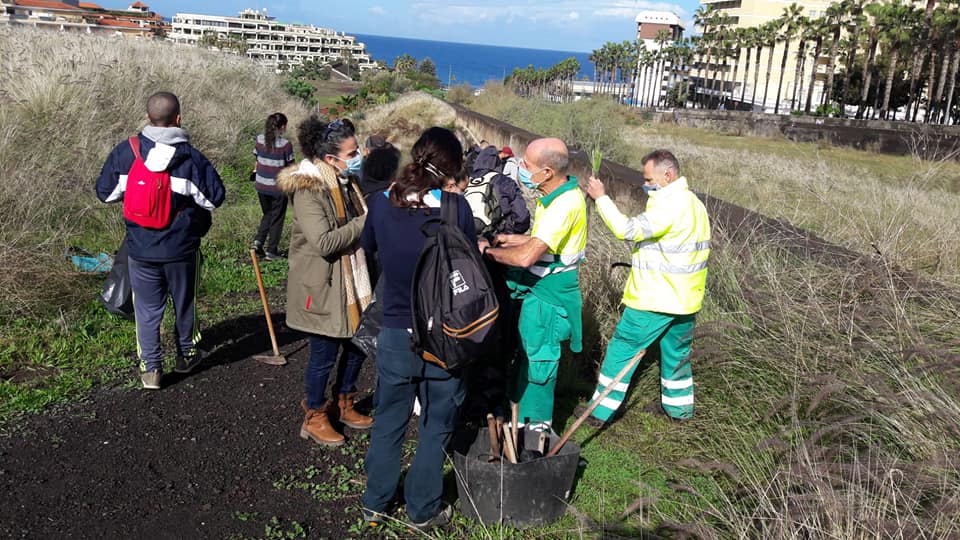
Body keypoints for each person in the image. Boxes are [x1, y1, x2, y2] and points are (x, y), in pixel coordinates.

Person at [360, 127, 476, 530]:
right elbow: (468, 260)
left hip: (395, 329)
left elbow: (369, 246)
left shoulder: (380, 203)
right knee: (437, 423)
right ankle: (422, 508)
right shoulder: (456, 209)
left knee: (389, 418)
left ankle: (375, 502)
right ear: (452, 168)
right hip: (445, 333)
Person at [95, 91, 226, 390]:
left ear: (148, 118)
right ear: (178, 119)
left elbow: (106, 193)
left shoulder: (125, 152)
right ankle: (187, 355)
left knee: (146, 309)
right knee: (184, 303)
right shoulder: (191, 157)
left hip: (140, 248)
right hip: (181, 248)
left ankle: (151, 369)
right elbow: (214, 199)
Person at [582, 149, 710, 423]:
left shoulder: (669, 206)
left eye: (649, 179)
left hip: (656, 299)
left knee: (622, 349)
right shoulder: (694, 203)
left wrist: (601, 198)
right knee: (677, 355)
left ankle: (600, 411)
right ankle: (679, 411)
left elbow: (626, 230)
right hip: (686, 300)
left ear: (668, 175)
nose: (645, 184)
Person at [277, 117, 373, 446]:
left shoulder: (346, 183)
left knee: (358, 343)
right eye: (352, 152)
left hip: (348, 283)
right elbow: (325, 243)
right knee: (324, 354)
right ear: (330, 159)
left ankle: (344, 401)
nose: (358, 155)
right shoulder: (309, 189)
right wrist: (366, 221)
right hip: (322, 285)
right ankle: (315, 414)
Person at [482, 138, 587, 432]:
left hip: (549, 304)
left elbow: (528, 257)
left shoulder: (562, 206)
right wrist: (508, 238)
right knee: (527, 360)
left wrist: (489, 252)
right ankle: (518, 420)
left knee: (540, 365)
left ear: (548, 171)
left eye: (527, 165)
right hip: (542, 296)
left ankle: (534, 433)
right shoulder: (555, 197)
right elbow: (543, 242)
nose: (521, 169)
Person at [252, 112, 295, 261]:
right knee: (277, 218)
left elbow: (257, 159)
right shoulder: (286, 145)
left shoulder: (259, 140)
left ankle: (258, 242)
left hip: (261, 185)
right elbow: (290, 167)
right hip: (277, 188)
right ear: (282, 127)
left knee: (268, 214)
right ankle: (272, 251)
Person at [469, 145, 530, 239]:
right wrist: (509, 233)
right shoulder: (504, 181)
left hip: (468, 237)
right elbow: (522, 217)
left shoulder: (466, 179)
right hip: (497, 238)